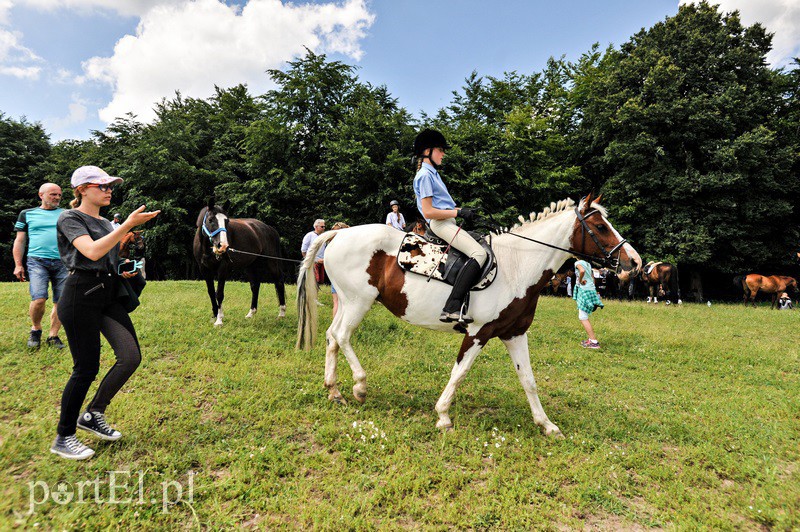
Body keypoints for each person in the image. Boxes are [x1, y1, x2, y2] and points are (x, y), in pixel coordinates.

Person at [50, 165, 159, 460]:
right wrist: (125, 226)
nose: (109, 190)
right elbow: (92, 252)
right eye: (103, 186)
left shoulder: (107, 223)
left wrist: (123, 268)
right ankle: (64, 436)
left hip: (107, 295)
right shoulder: (69, 217)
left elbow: (107, 257)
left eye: (111, 186)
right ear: (83, 189)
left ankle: (93, 413)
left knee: (130, 356)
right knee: (85, 368)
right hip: (79, 296)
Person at [412, 129, 486, 323]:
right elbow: (428, 212)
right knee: (480, 254)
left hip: (448, 221)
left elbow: (444, 205)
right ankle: (452, 307)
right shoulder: (425, 176)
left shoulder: (433, 174)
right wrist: (458, 212)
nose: (443, 153)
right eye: (440, 149)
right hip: (440, 224)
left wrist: (465, 211)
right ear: (427, 151)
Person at [13, 183, 68, 349]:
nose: (57, 197)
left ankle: (53, 335)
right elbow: (20, 240)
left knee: (61, 301)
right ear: (41, 195)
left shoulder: (66, 214)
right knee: (39, 298)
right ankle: (35, 329)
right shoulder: (27, 214)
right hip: (37, 261)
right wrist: (18, 264)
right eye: (53, 194)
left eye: (59, 195)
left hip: (63, 262)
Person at [573, 259, 604, 349]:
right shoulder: (588, 263)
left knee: (582, 316)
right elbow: (592, 277)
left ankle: (593, 342)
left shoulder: (577, 263)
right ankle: (591, 340)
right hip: (590, 288)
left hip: (584, 289)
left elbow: (582, 271)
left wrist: (580, 280)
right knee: (584, 315)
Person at [329, 222, 350, 317]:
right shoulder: (348, 245)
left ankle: (335, 325)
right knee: (344, 303)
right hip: (345, 277)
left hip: (335, 276)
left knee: (336, 302)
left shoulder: (331, 245)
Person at [301, 219, 326, 285]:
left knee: (320, 282)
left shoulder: (324, 236)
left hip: (322, 261)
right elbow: (304, 250)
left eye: (324, 226)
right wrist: (309, 260)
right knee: (313, 281)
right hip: (313, 262)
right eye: (322, 226)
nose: (324, 228)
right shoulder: (309, 235)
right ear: (316, 227)